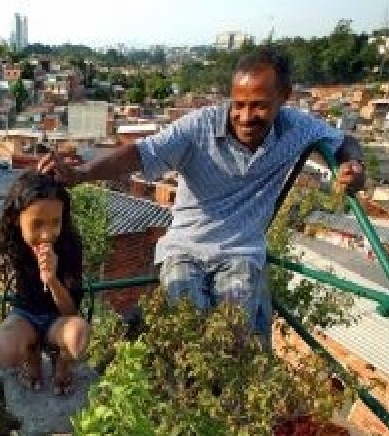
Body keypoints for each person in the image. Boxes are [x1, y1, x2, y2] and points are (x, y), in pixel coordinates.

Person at [37, 46, 366, 341]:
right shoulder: (200, 127)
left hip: (241, 250)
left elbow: (343, 142)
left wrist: (352, 164)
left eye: (260, 106)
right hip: (185, 247)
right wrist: (82, 175)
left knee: (234, 331)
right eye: (239, 105)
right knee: (186, 323)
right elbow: (142, 152)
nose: (246, 117)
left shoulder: (297, 128)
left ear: (284, 97)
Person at [0, 171, 90, 395]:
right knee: (0, 350)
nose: (46, 235)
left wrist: (52, 279)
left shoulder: (69, 245)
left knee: (79, 335)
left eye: (55, 223)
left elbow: (72, 310)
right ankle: (31, 357)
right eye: (36, 224)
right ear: (17, 220)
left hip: (58, 320)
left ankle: (62, 365)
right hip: (25, 315)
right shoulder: (12, 243)